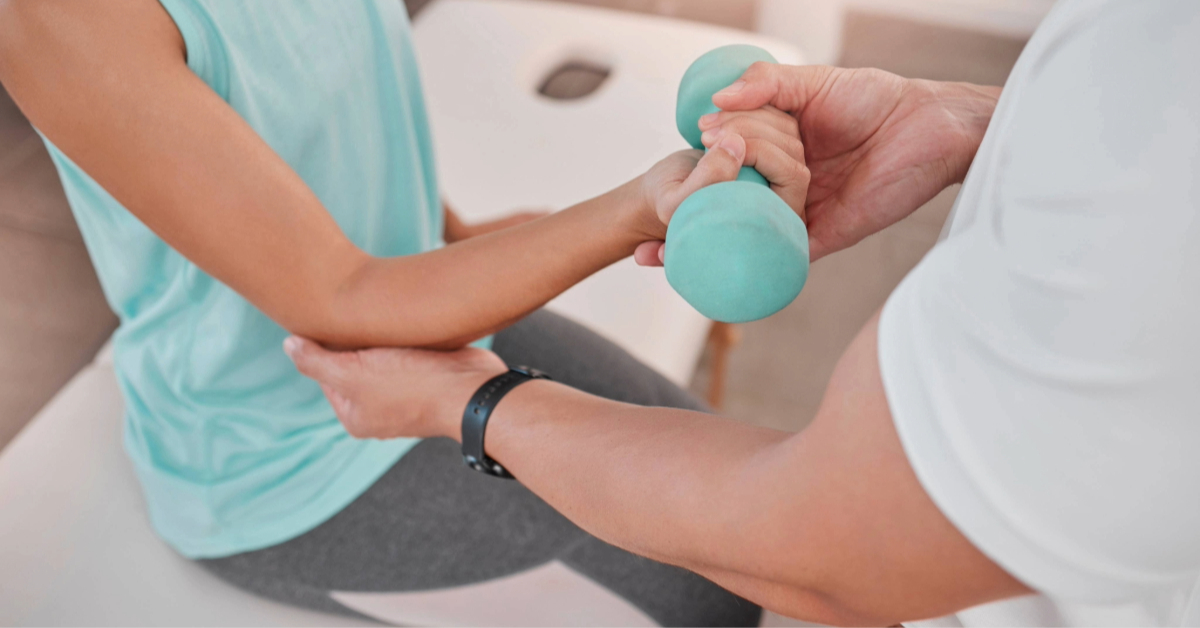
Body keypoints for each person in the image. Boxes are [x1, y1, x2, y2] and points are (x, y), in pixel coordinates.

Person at [283, 1, 1200, 625]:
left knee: (716, 589)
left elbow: (829, 552)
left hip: (1003, 578)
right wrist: (968, 119)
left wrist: (471, 402)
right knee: (702, 589)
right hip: (280, 463)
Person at [0, 1, 813, 624]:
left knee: (747, 502)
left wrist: (452, 236)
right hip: (287, 451)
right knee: (701, 595)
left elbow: (340, 95)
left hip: (424, 312)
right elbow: (337, 299)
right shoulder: (61, 17)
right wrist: (638, 207)